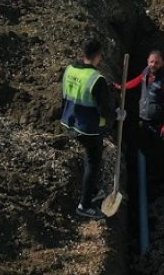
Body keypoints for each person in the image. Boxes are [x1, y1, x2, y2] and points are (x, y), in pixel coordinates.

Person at [60, 39, 121, 220]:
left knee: (90, 158)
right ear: (98, 55)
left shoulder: (70, 69)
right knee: (93, 162)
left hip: (70, 121)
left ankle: (93, 190)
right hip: (88, 128)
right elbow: (104, 109)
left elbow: (64, 95)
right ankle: (84, 205)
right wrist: (117, 115)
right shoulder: (96, 79)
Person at [123, 50, 164, 189]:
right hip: (143, 120)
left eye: (157, 62)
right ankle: (141, 177)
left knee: (157, 153)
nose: (154, 64)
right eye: (151, 61)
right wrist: (122, 87)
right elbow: (136, 81)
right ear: (148, 61)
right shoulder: (146, 72)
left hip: (157, 123)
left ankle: (158, 182)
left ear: (162, 63)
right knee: (142, 147)